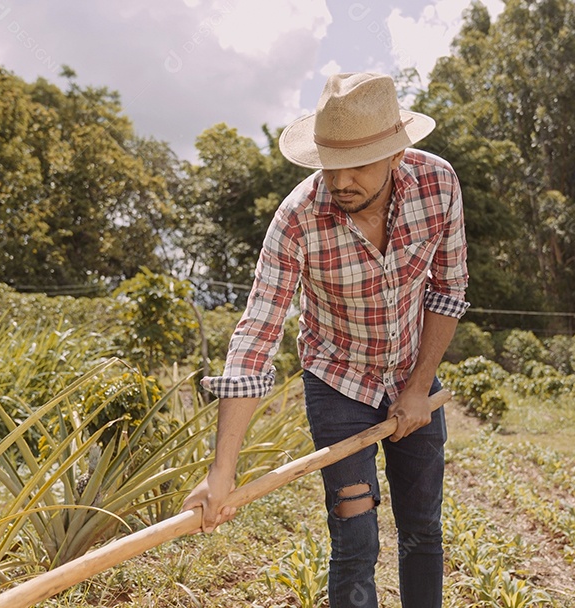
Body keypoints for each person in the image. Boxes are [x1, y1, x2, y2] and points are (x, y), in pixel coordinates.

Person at [182, 71, 469, 608]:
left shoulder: (438, 185)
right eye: (331, 165)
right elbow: (256, 335)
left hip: (414, 373)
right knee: (357, 542)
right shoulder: (298, 219)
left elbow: (447, 291)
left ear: (397, 156)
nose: (341, 182)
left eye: (359, 164)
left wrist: (418, 388)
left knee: (422, 530)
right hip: (336, 382)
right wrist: (222, 472)